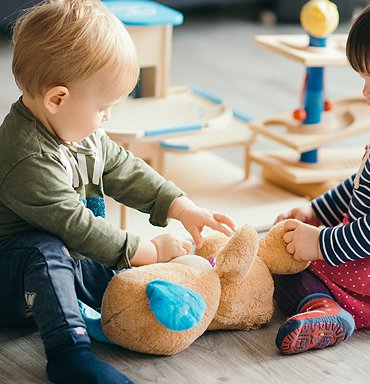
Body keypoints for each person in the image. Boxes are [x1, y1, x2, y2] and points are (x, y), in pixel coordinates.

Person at [0, 1, 236, 383]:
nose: (108, 117)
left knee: (100, 266)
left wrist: (180, 206)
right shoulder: (26, 158)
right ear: (57, 99)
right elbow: (77, 227)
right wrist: (147, 251)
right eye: (103, 107)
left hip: (63, 264)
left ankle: (148, 312)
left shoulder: (81, 132)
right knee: (48, 250)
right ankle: (69, 354)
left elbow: (123, 168)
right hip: (12, 281)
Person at [272, 5, 370, 355]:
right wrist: (316, 211)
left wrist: (321, 243)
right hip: (358, 255)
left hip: (362, 266)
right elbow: (357, 186)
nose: (364, 93)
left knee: (286, 266)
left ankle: (326, 309)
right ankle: (329, 310)